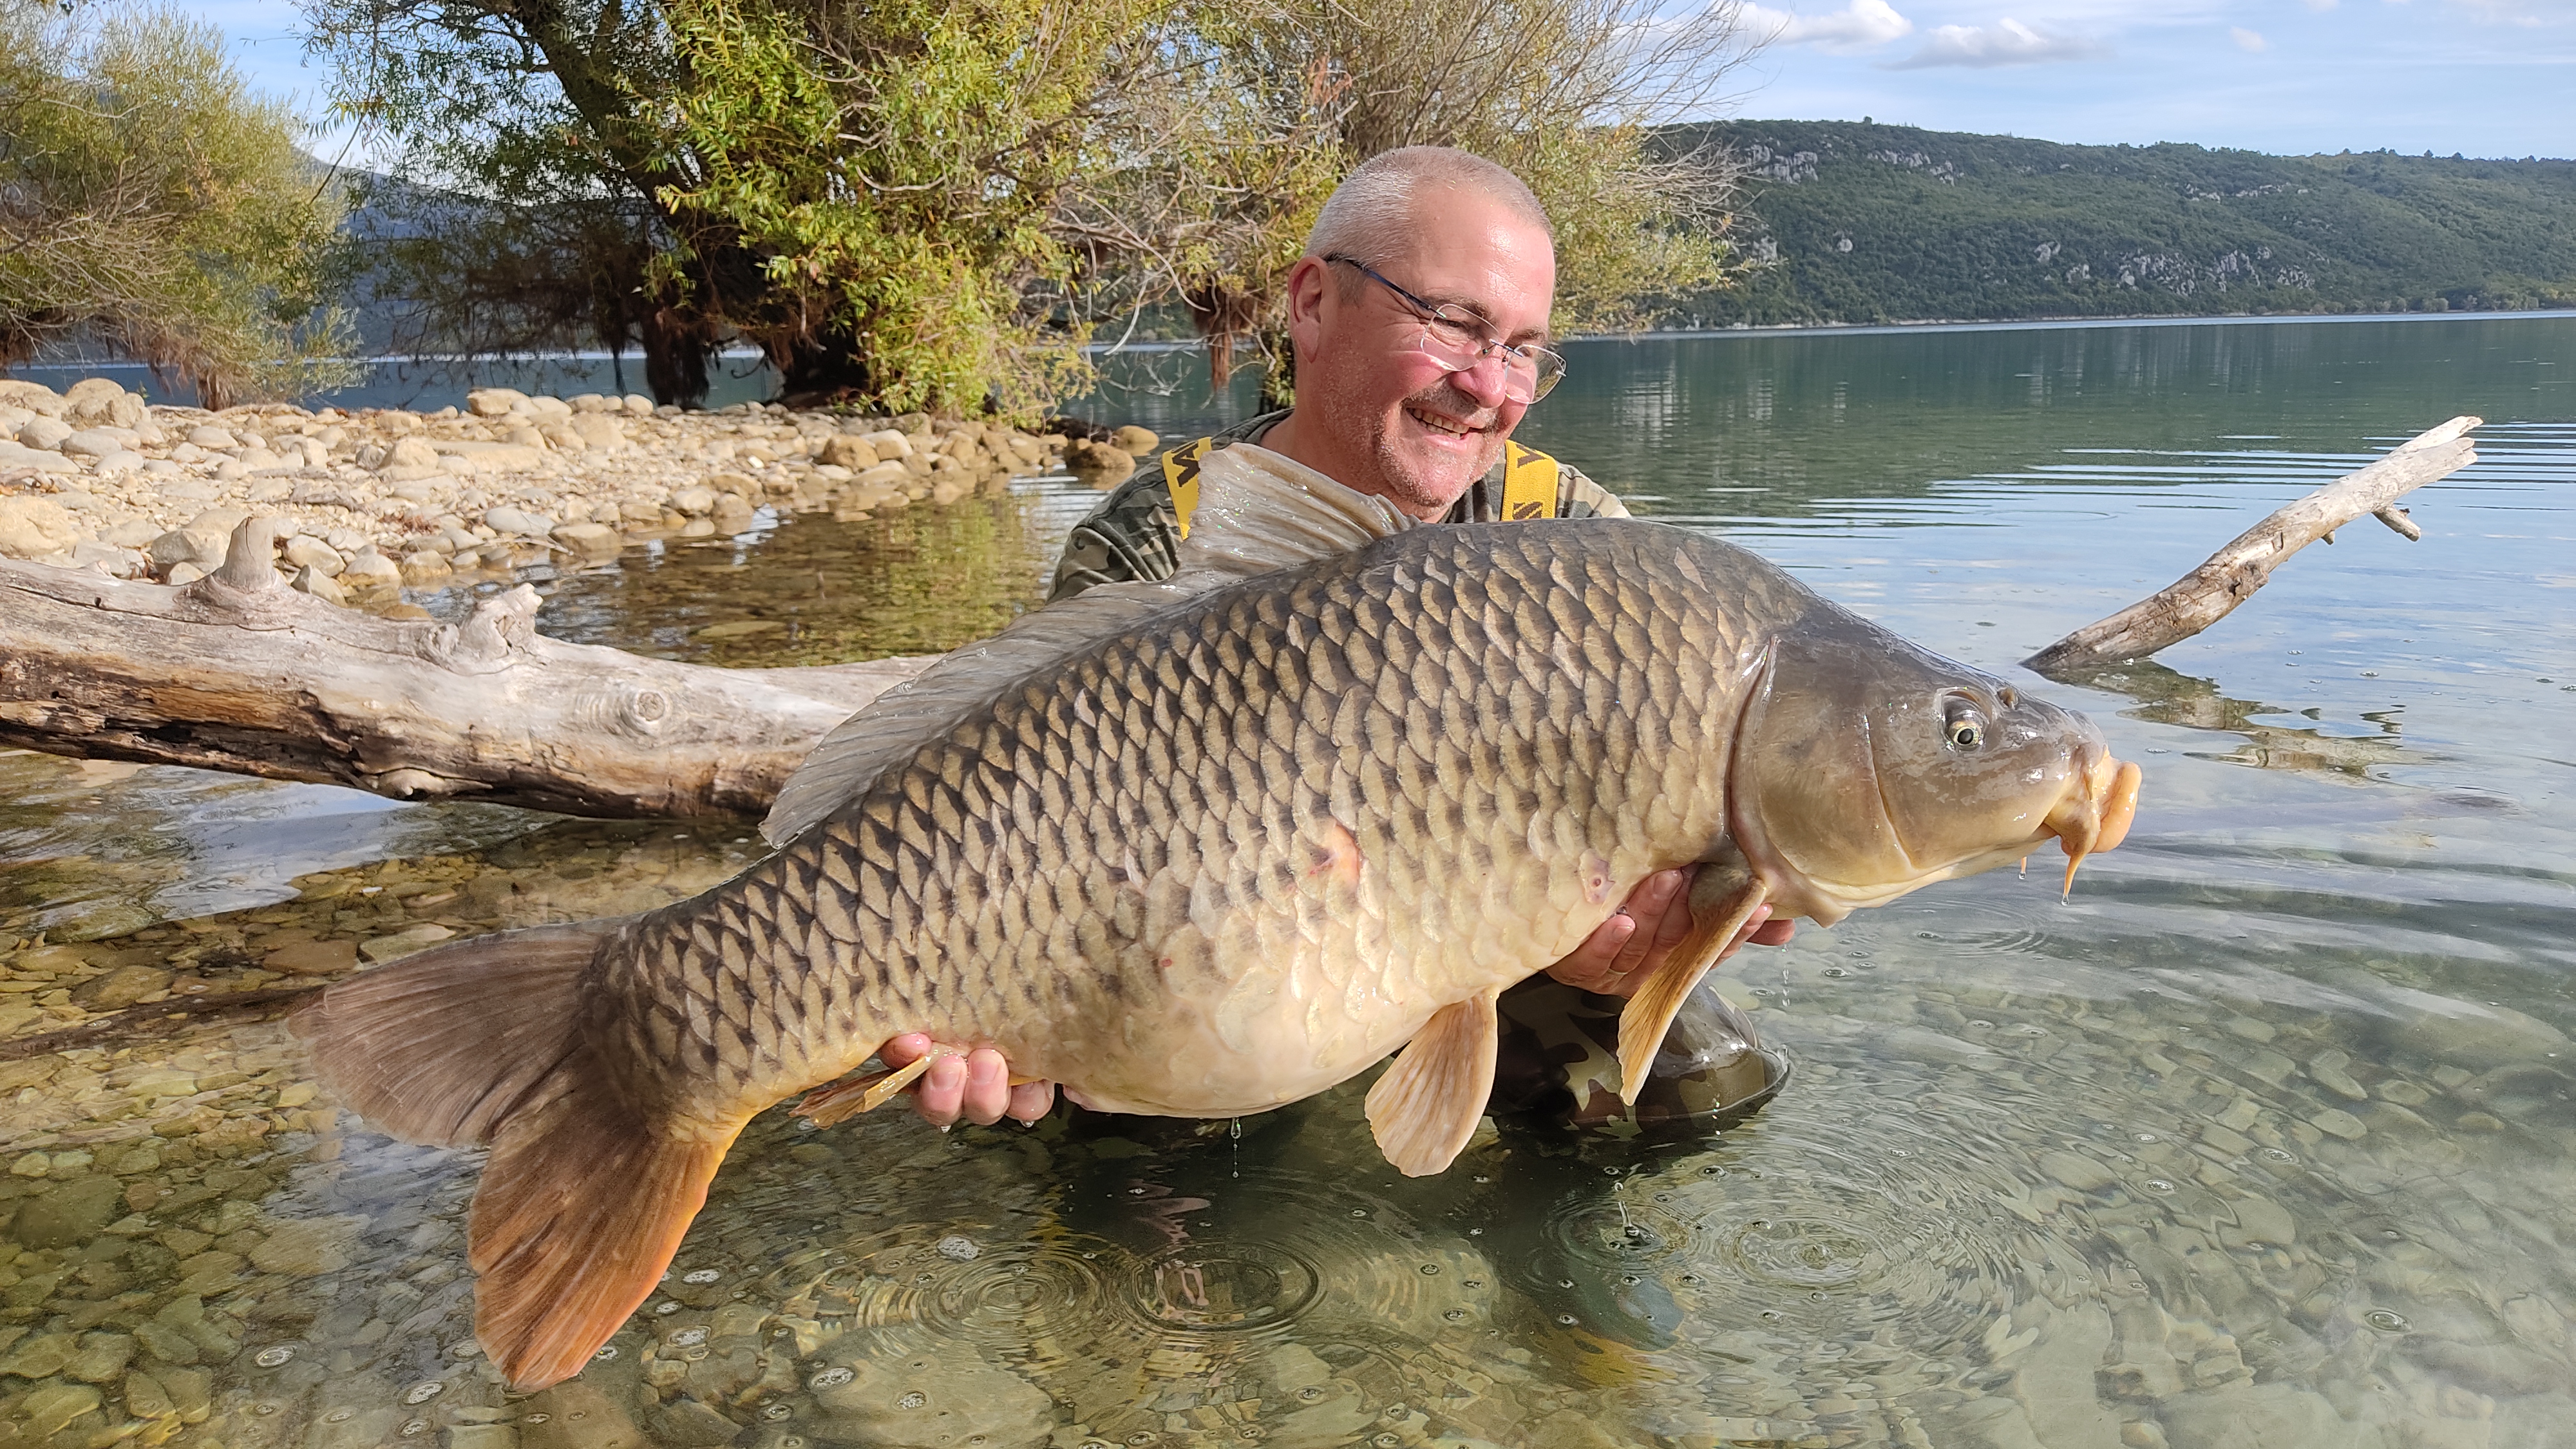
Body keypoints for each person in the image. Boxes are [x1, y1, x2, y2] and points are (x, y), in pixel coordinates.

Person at [891, 145, 1792, 1128]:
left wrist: (1641, 919)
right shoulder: (1158, 542)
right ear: (1313, 305)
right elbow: (1039, 831)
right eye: (1455, 323)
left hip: (1478, 930)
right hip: (1211, 931)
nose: (1491, 386)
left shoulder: (1564, 531)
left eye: (1525, 347)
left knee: (1707, 1080)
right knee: (1122, 1132)